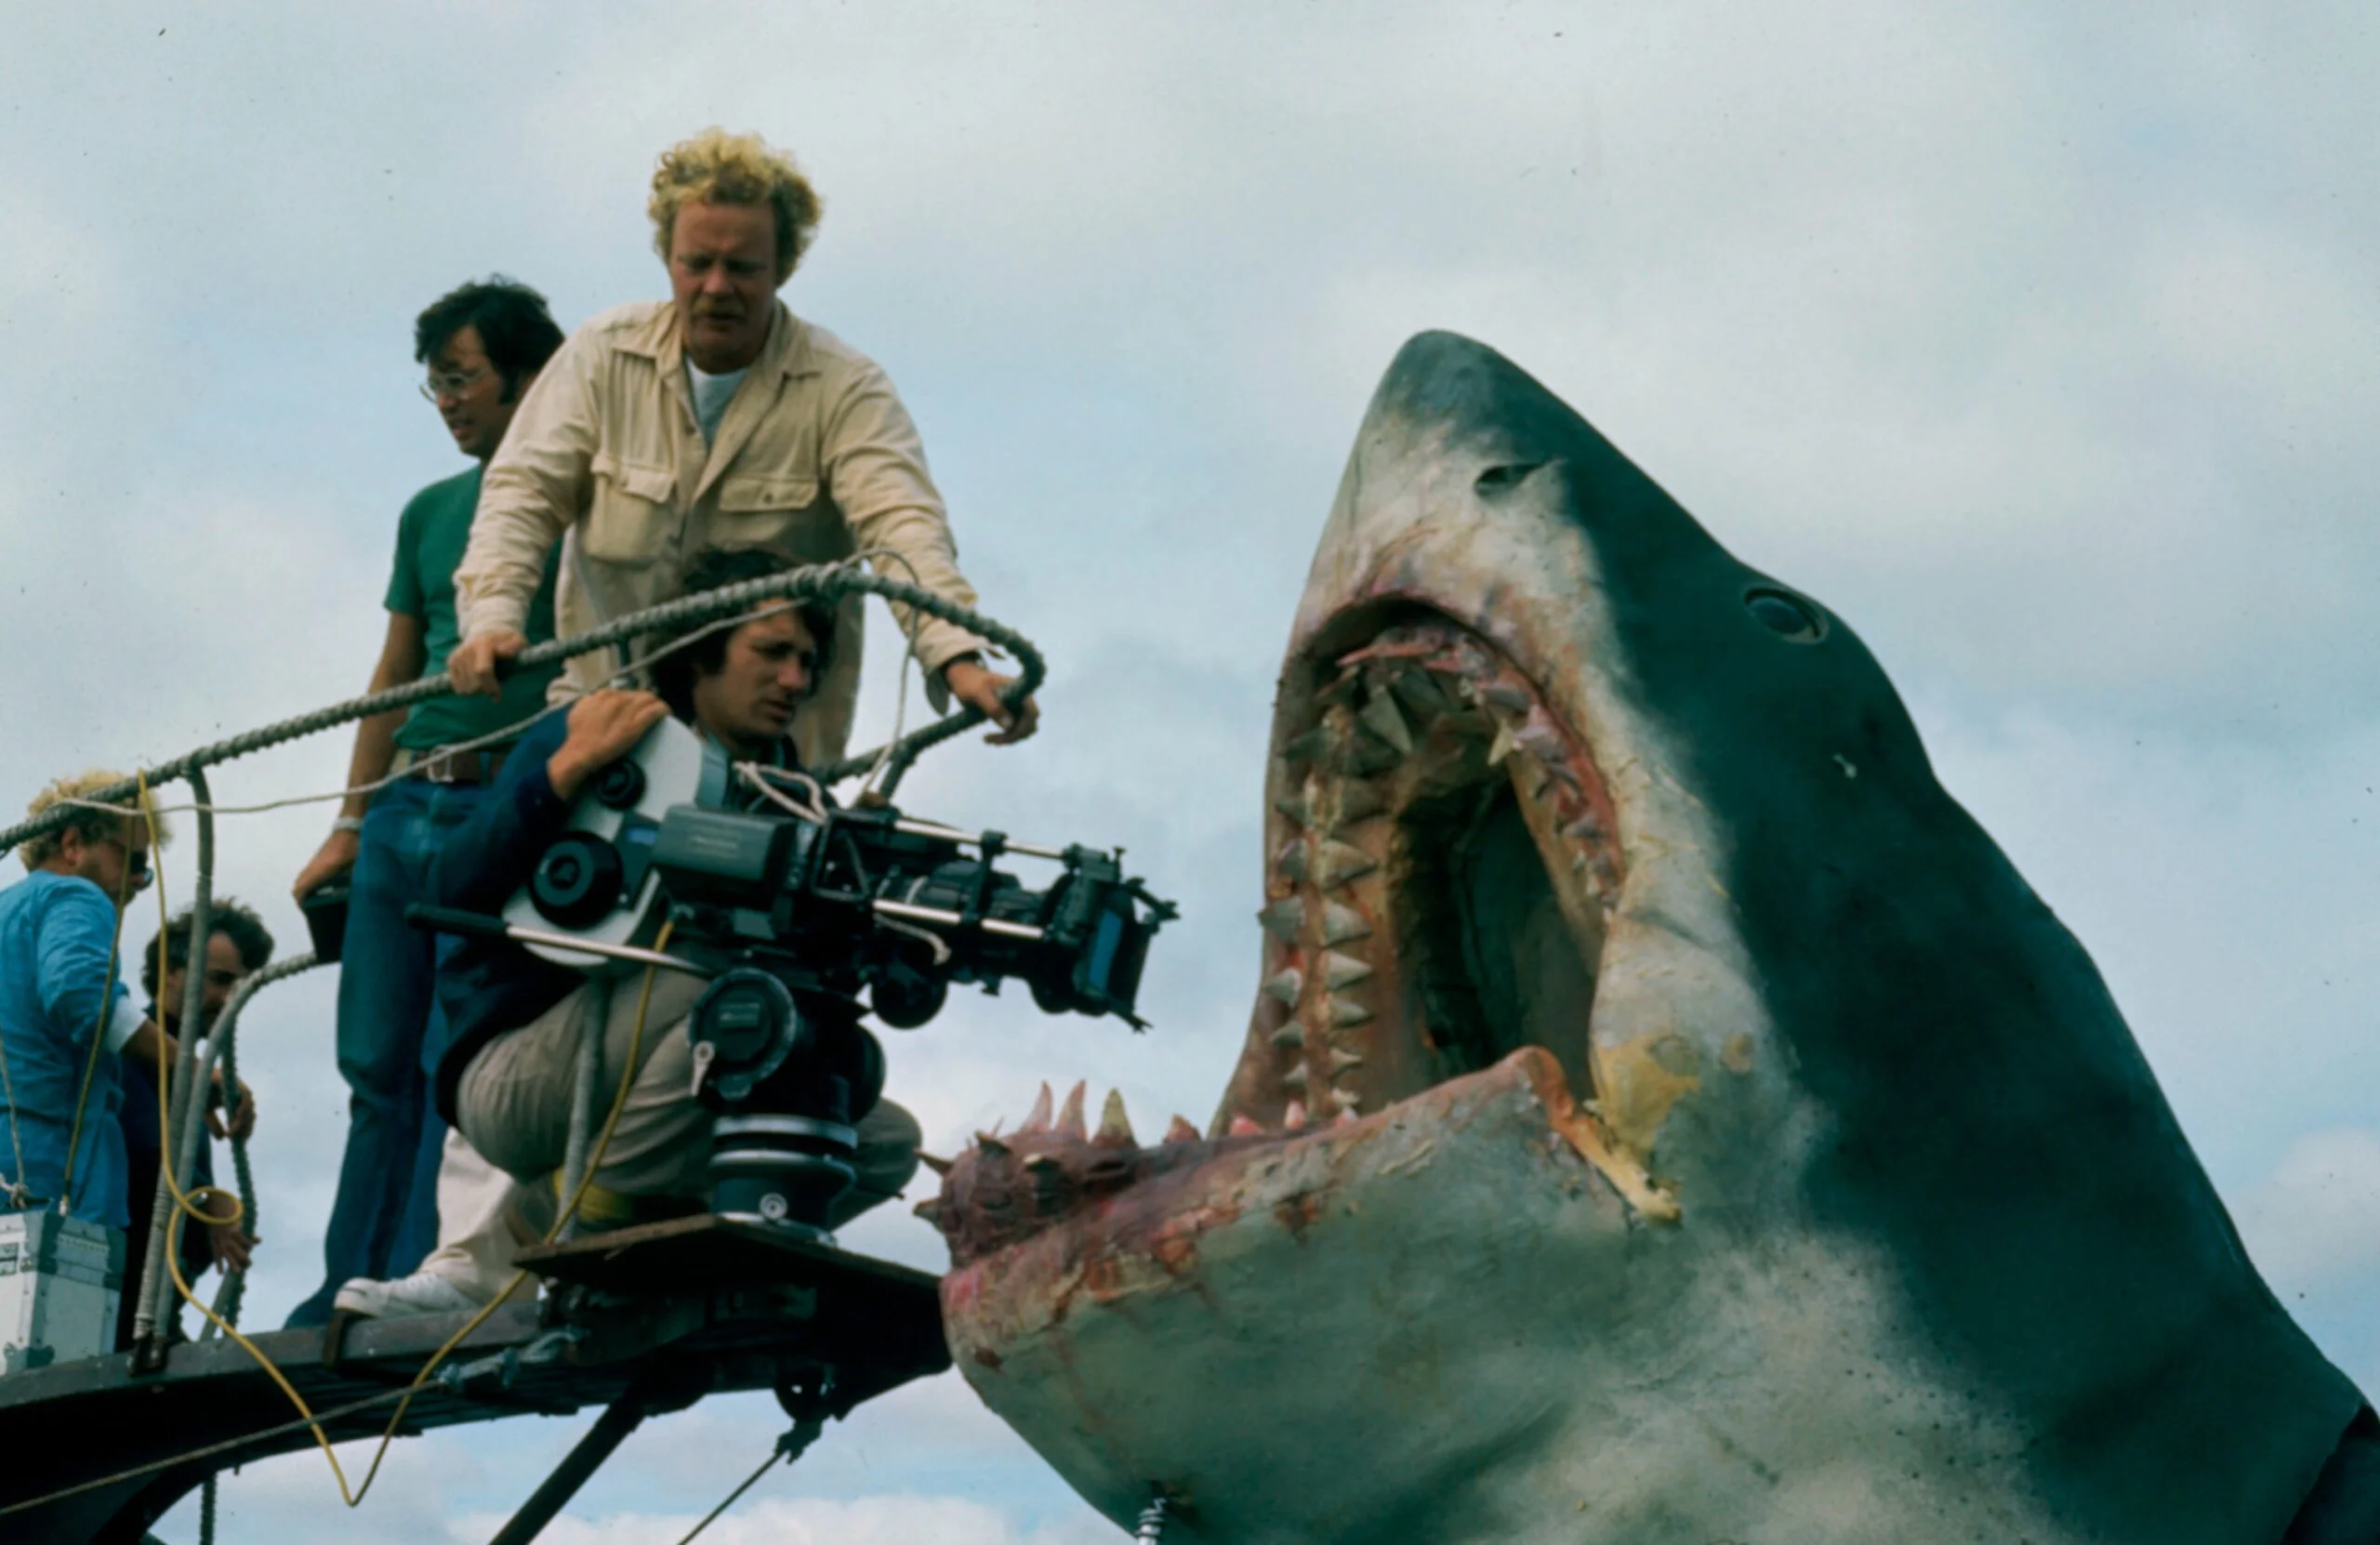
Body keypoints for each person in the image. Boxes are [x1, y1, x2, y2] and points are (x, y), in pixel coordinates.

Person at [336, 549, 921, 1317]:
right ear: (701, 650)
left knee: (878, 1139)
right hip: (518, 1080)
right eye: (772, 652)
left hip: (662, 1076)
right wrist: (563, 773)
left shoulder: (798, 797)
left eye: (808, 662)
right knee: (719, 979)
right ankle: (580, 1209)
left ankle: (665, 1237)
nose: (795, 680)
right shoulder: (601, 726)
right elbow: (450, 886)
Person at [446, 126, 1039, 767]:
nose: (716, 287)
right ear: (667, 258)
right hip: (601, 733)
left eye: (742, 268)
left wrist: (956, 657)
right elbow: (521, 496)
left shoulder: (845, 387)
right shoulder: (600, 355)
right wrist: (492, 619)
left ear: (784, 268)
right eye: (697, 263)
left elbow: (903, 526)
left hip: (773, 761)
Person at [283, 279, 571, 1327]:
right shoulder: (427, 511)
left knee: (455, 1053)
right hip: (407, 803)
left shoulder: (584, 504)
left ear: (528, 378)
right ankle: (340, 1288)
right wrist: (348, 822)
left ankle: (421, 1278)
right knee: (374, 1058)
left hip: (503, 806)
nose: (446, 402)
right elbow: (394, 674)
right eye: (435, 385)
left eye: (461, 379)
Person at [0, 775, 248, 1230]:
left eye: (145, 871)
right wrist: (190, 1069)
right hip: (50, 1168)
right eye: (131, 860)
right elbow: (81, 995)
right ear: (73, 844)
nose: (138, 881)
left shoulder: (8, 908)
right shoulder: (76, 894)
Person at [115, 901, 272, 1348]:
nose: (229, 999)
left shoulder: (187, 1075)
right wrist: (207, 1199)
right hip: (116, 1307)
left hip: (148, 1311)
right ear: (170, 972)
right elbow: (142, 1154)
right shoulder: (133, 1054)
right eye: (219, 980)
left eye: (242, 988)